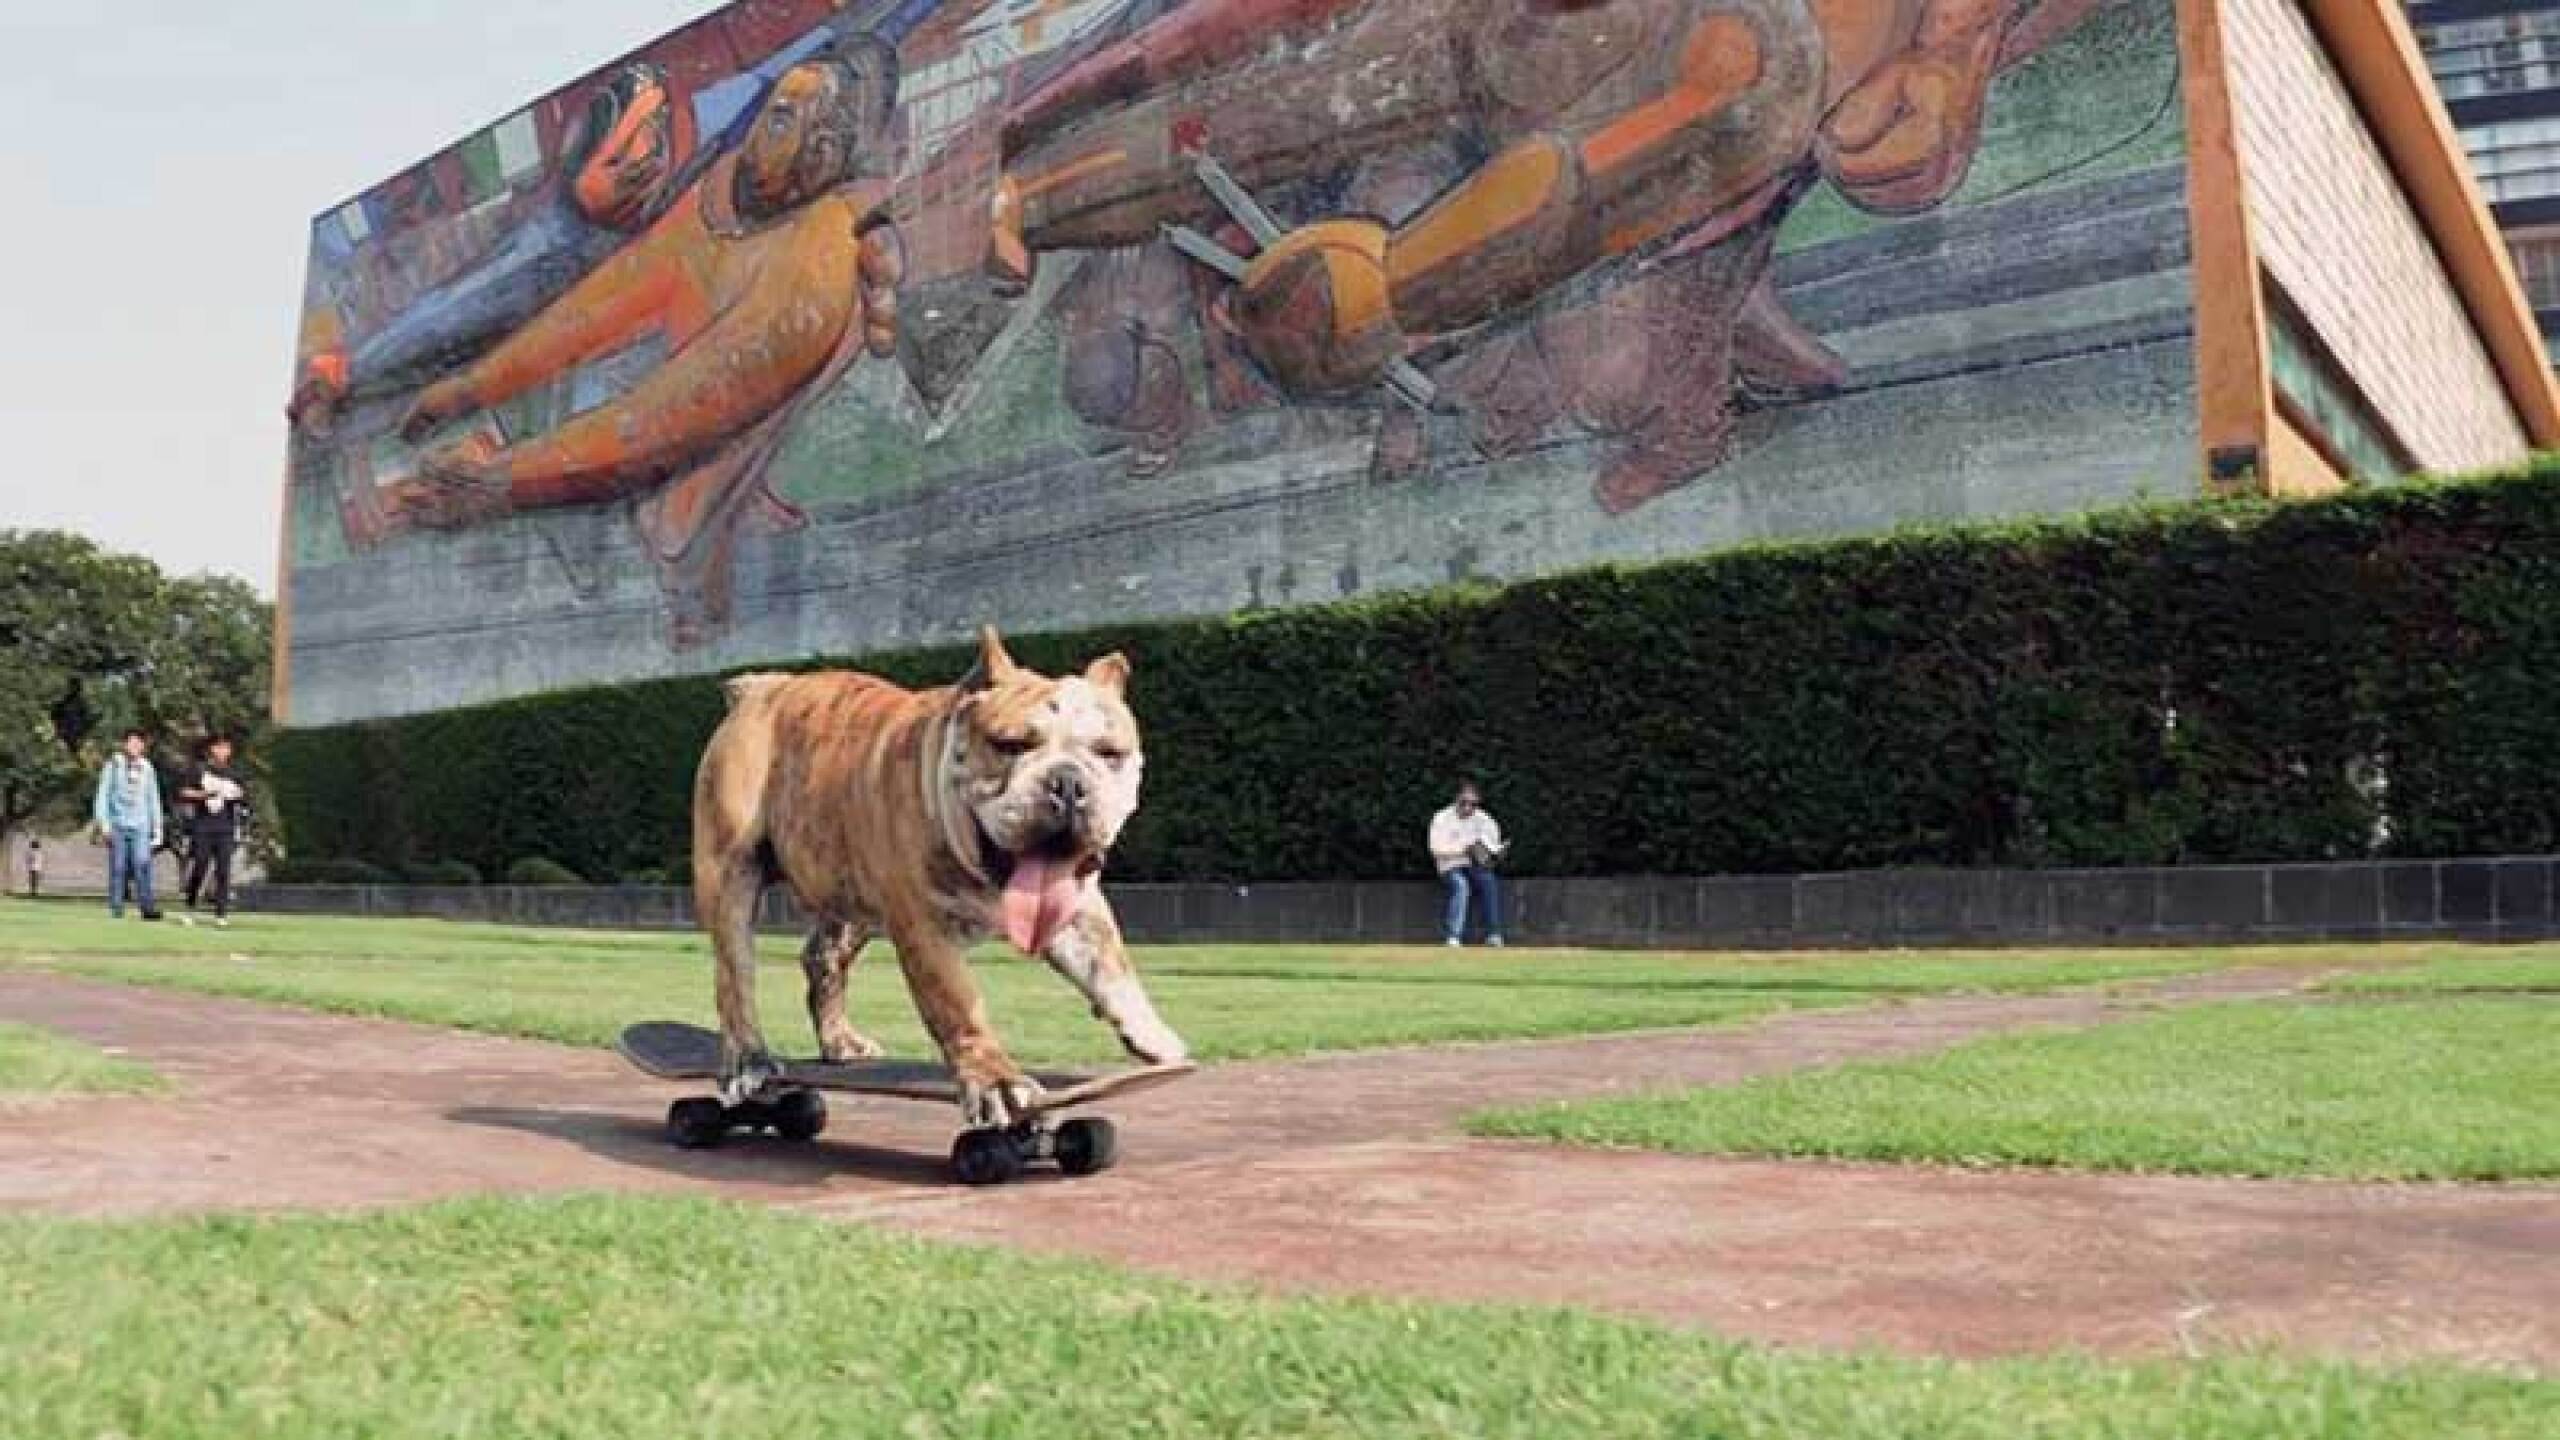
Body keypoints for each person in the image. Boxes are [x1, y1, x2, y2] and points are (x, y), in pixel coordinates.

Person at [91, 729, 163, 921]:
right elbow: (102, 795)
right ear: (124, 744)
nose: (135, 746)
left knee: (142, 863)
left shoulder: (147, 767)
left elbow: (153, 798)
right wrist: (103, 824)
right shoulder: (113, 765)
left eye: (139, 743)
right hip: (118, 823)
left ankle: (147, 908)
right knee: (118, 867)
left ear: (143, 746)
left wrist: (157, 827)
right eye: (131, 742)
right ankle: (116, 908)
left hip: (141, 824)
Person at [178, 736, 248, 927]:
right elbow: (184, 792)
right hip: (203, 826)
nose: (222, 751)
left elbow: (243, 797)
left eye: (226, 748)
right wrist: (204, 794)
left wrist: (237, 795)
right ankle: (190, 906)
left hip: (226, 827)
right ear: (211, 749)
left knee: (223, 870)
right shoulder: (200, 770)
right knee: (200, 865)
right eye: (219, 747)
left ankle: (221, 913)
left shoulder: (235, 773)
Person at [1428, 781, 1508, 948]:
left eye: (1473, 804)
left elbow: (1492, 843)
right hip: (1450, 866)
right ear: (1456, 799)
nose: (1468, 808)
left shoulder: (1484, 819)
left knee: (1489, 882)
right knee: (1461, 886)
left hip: (1476, 865)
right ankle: (1454, 936)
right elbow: (1435, 849)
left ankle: (1493, 934)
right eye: (1463, 803)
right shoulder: (1441, 818)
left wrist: (1494, 853)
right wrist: (1463, 851)